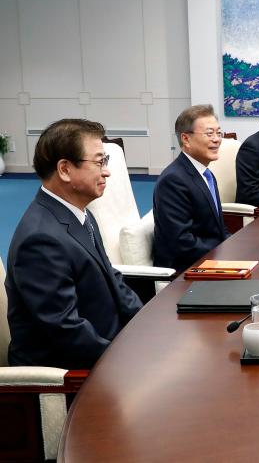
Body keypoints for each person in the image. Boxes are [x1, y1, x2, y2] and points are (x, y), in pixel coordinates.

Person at [5, 119, 143, 368]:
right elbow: (66, 330)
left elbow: (112, 278)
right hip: (66, 375)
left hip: (106, 346)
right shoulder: (40, 240)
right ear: (65, 170)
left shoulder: (80, 213)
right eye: (99, 162)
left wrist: (147, 323)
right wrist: (128, 360)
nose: (107, 171)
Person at [153, 104, 228, 273]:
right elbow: (181, 243)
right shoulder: (173, 180)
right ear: (186, 139)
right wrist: (224, 255)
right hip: (186, 271)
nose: (217, 139)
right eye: (209, 133)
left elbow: (217, 228)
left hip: (208, 259)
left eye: (218, 133)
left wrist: (233, 246)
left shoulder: (206, 173)